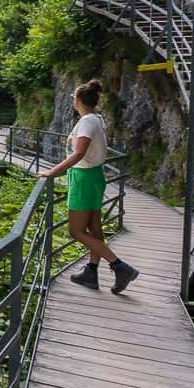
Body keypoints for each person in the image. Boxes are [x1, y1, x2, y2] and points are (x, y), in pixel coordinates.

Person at [38, 79, 139, 294]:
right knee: (94, 228)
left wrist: (52, 172)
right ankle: (91, 272)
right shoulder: (95, 119)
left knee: (76, 231)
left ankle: (120, 267)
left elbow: (79, 153)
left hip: (83, 178)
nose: (71, 99)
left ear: (79, 100)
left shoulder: (86, 122)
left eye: (73, 96)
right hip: (93, 176)